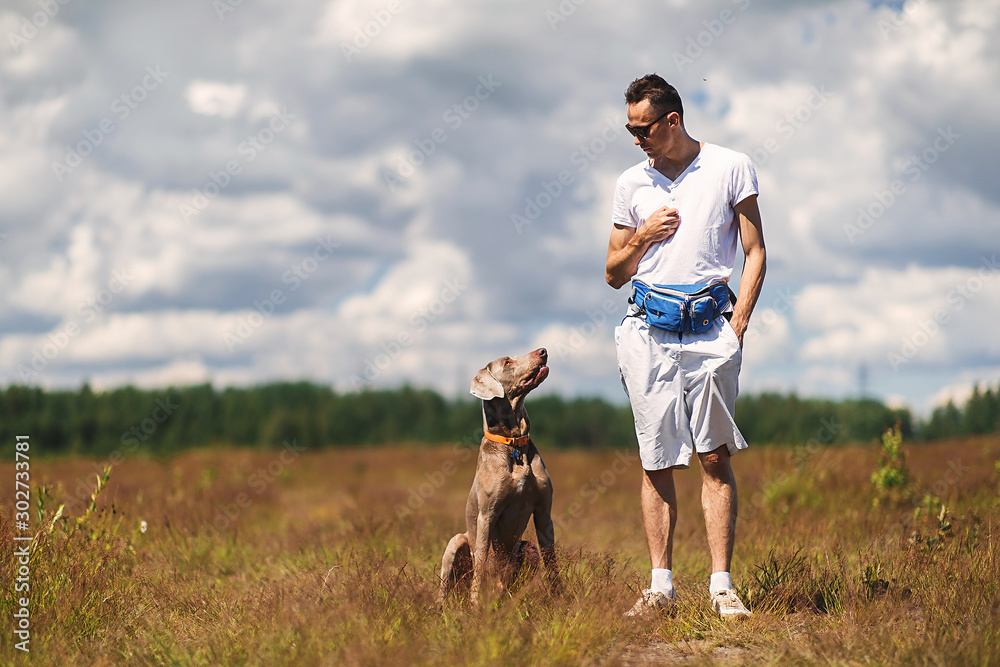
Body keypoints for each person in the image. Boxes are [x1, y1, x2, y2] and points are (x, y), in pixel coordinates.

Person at [605, 74, 765, 618]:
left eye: (643, 128)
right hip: (647, 331)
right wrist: (643, 236)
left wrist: (738, 321)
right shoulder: (632, 183)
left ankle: (722, 586)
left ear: (672, 120)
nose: (636, 139)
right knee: (656, 461)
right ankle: (660, 588)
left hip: (709, 331)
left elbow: (755, 250)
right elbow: (612, 273)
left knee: (714, 457)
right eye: (629, 129)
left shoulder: (730, 166)